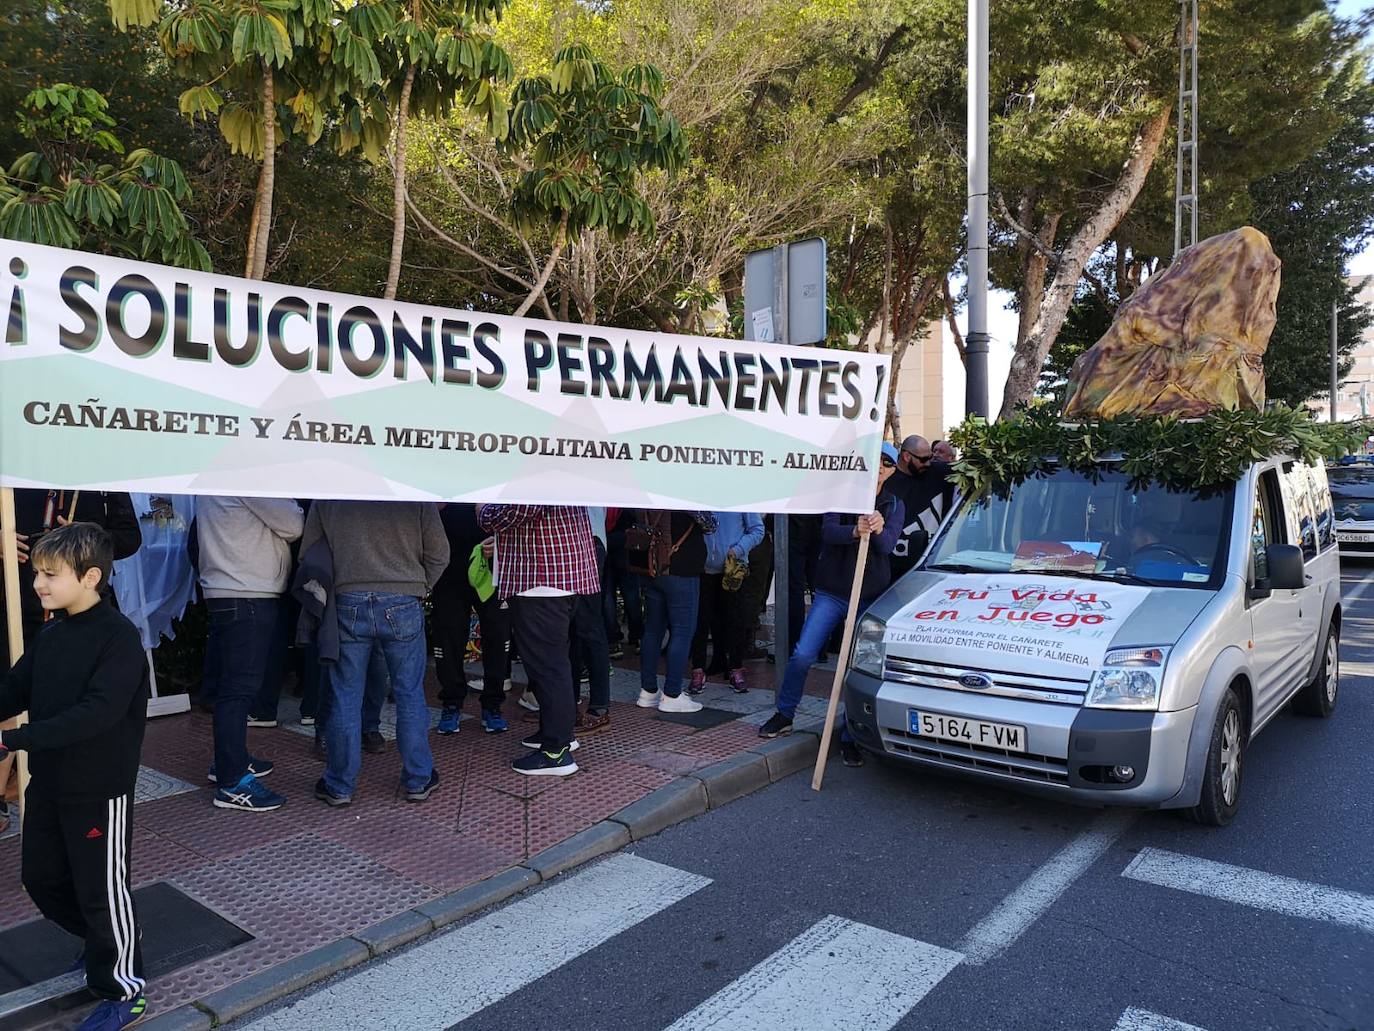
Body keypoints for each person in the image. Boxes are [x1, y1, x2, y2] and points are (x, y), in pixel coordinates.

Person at [0, 523, 151, 1031]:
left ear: (90, 577)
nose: (37, 583)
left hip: (98, 790)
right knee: (39, 878)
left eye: (49, 574)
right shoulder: (54, 630)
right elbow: (17, 688)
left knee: (102, 892)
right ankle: (101, 941)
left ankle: (124, 988)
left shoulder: (119, 639)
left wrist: (13, 741)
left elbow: (96, 714)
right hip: (49, 783)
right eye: (37, 572)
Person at [302, 501, 449, 805]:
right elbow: (439, 553)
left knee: (345, 695)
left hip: (347, 599)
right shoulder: (412, 491)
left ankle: (339, 784)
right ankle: (418, 778)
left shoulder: (330, 494)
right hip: (403, 598)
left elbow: (309, 554)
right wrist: (419, 586)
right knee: (409, 692)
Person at [759, 443, 904, 748]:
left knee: (857, 666)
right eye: (875, 461)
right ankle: (785, 714)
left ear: (892, 471)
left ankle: (852, 734)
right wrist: (855, 530)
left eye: (887, 465)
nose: (879, 468)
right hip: (833, 592)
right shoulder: (842, 494)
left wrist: (877, 529)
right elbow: (826, 532)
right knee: (803, 654)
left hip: (869, 597)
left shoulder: (893, 504)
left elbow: (888, 545)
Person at [197, 496, 303, 812]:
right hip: (246, 592)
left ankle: (230, 761)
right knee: (238, 690)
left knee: (232, 686)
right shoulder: (250, 476)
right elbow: (293, 524)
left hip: (229, 589)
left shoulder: (219, 474)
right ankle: (232, 783)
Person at [477, 504, 600, 777]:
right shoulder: (558, 466)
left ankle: (556, 752)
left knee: (549, 669)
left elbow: (517, 511)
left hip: (541, 580)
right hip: (558, 576)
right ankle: (557, 734)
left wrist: (483, 508)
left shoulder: (538, 468)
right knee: (554, 665)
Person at [433, 504, 511, 736]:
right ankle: (451, 703)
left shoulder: (496, 473)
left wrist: (501, 544)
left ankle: (493, 705)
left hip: (491, 569)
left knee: (497, 636)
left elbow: (512, 514)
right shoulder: (442, 472)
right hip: (448, 568)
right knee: (448, 637)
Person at [632, 510, 717, 714]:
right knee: (682, 631)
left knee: (653, 630)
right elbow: (710, 524)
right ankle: (672, 694)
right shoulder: (684, 490)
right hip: (681, 568)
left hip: (652, 566)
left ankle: (648, 690)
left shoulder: (648, 489)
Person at [690, 511, 765, 693]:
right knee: (700, 620)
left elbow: (757, 530)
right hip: (703, 567)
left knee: (735, 619)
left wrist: (737, 550)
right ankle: (698, 670)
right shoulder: (701, 493)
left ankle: (735, 667)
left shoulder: (741, 495)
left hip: (732, 568)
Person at [888, 434, 956, 579]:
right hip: (893, 568)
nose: (928, 463)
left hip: (932, 565)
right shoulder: (887, 481)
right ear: (906, 456)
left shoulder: (939, 473)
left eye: (930, 457)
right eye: (924, 459)